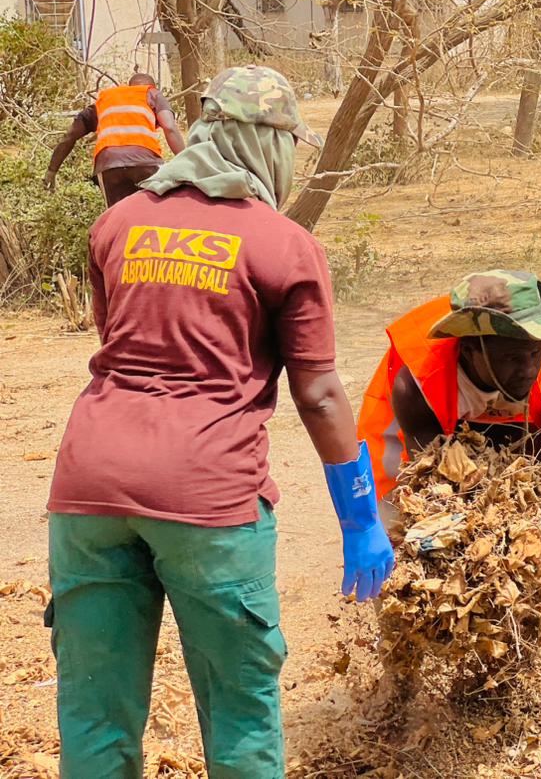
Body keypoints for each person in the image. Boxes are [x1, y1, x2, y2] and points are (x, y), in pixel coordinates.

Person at [46, 65, 394, 778]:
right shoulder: (282, 243)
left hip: (87, 494)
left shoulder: (117, 223)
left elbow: (114, 339)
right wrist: (359, 517)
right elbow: (320, 393)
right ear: (267, 145)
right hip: (207, 501)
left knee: (95, 712)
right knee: (240, 709)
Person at [358, 270, 541, 529]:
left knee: (524, 497)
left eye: (535, 353)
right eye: (512, 359)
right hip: (422, 426)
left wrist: (535, 539)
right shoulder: (417, 382)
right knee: (396, 518)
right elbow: (432, 483)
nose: (528, 370)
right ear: (469, 351)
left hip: (515, 426)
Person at [43, 73, 186, 206]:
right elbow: (169, 127)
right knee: (152, 216)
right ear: (151, 86)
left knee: (116, 217)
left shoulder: (105, 100)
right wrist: (190, 164)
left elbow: (70, 135)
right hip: (145, 163)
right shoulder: (152, 93)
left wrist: (51, 171)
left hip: (109, 166)